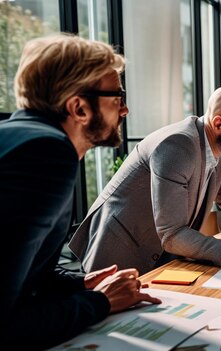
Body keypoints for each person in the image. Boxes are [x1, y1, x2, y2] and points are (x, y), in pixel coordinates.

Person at [0, 34, 161, 350]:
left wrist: (81, 283)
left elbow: (25, 272)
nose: (125, 109)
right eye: (117, 97)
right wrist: (100, 302)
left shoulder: (17, 137)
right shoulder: (44, 154)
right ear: (79, 108)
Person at [69, 84, 221, 275]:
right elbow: (172, 234)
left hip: (159, 259)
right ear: (218, 124)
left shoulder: (215, 149)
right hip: (117, 255)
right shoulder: (177, 146)